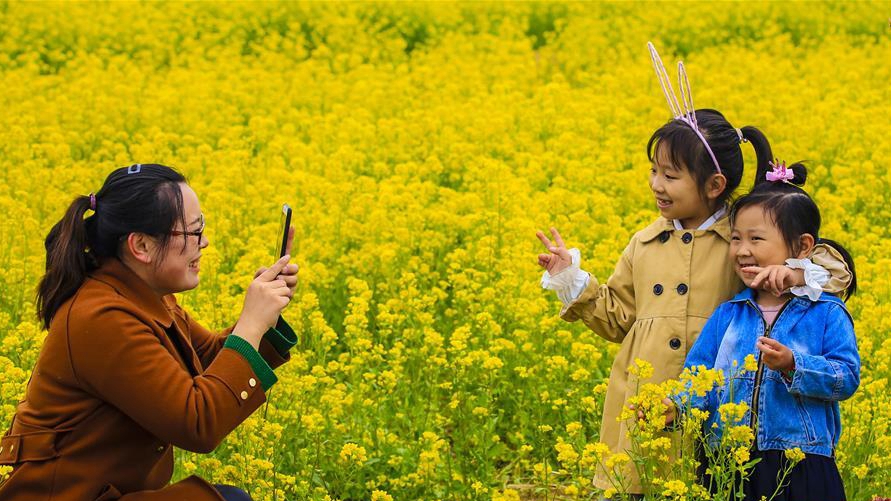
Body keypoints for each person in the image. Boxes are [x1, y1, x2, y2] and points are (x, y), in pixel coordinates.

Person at [534, 44, 852, 495]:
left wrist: (797, 274)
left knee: (707, 482)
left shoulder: (744, 239)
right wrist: (571, 279)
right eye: (653, 171)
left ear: (714, 184)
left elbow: (832, 271)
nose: (656, 185)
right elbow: (618, 319)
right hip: (647, 399)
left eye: (670, 174)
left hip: (722, 409)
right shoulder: (643, 243)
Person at [0, 164, 298, 501]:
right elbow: (197, 423)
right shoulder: (101, 318)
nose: (206, 242)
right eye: (194, 232)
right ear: (141, 245)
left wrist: (265, 318)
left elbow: (205, 361)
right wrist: (251, 324)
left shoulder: (142, 293)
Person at [667, 160, 858, 500]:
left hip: (800, 460)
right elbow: (697, 376)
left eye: (756, 239)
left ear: (801, 247)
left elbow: (846, 377)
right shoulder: (728, 314)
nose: (742, 250)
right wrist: (674, 408)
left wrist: (794, 365)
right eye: (736, 238)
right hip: (725, 457)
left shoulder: (826, 313)